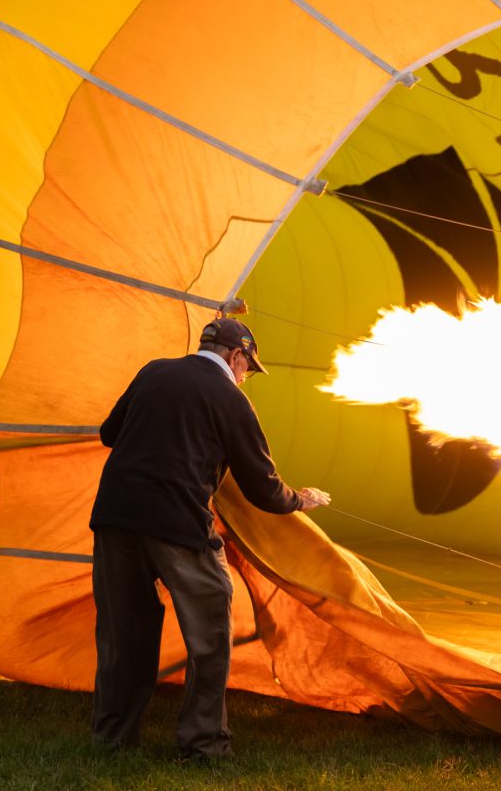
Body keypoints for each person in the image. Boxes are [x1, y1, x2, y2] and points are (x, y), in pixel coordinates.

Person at [89, 317, 329, 760]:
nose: (245, 378)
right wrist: (300, 499)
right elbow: (262, 487)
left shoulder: (153, 371)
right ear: (236, 356)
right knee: (211, 631)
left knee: (123, 634)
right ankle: (203, 745)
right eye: (247, 369)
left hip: (114, 518)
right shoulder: (232, 401)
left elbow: (109, 434)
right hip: (177, 524)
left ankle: (112, 740)